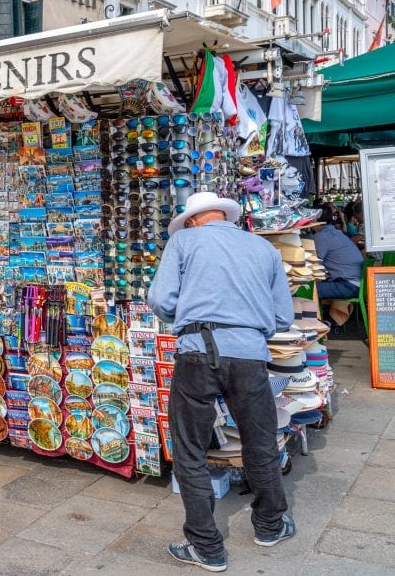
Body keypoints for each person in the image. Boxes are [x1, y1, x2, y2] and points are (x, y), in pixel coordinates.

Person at [148, 192, 296, 572]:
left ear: (194, 219)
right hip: (249, 354)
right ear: (222, 215)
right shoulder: (263, 248)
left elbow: (161, 299)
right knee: (260, 442)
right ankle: (270, 525)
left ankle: (206, 546)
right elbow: (283, 316)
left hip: (197, 351)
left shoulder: (183, 241)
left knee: (189, 451)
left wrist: (190, 313)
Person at [310, 203, 364, 299]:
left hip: (349, 286)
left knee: (306, 289)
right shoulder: (335, 232)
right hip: (357, 283)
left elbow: (314, 264)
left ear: (314, 219)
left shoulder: (322, 236)